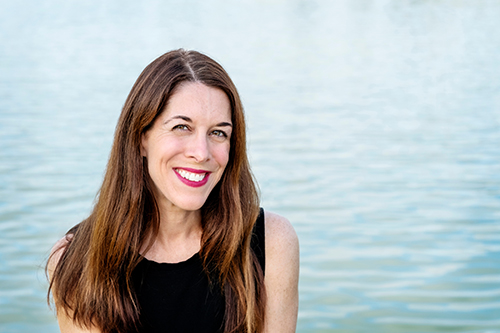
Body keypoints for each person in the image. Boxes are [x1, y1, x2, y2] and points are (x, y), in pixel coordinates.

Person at [47, 49, 299, 333]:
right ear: (142, 137)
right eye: (181, 127)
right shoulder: (75, 261)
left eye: (218, 132)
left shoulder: (272, 242)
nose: (201, 153)